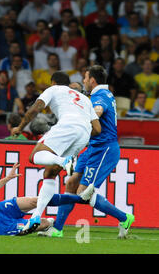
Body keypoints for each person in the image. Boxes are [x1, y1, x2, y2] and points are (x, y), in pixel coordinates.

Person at [40, 66, 135, 238]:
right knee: (71, 183)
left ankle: (124, 217)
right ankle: (57, 229)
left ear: (92, 80)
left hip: (104, 150)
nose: (84, 81)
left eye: (85, 78)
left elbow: (97, 111)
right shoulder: (101, 95)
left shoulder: (101, 96)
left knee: (83, 192)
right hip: (93, 148)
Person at [10, 71, 101, 234]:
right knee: (49, 173)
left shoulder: (54, 90)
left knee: (34, 157)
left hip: (67, 126)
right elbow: (97, 129)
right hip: (84, 133)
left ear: (53, 83)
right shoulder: (85, 100)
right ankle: (36, 217)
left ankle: (64, 162)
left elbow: (34, 109)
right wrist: (81, 134)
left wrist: (20, 127)